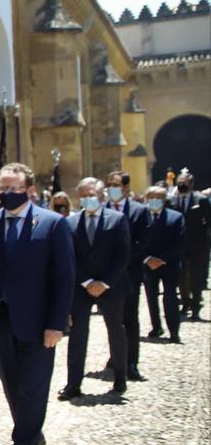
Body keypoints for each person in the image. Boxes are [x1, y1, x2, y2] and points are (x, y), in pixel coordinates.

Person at [0, 162, 74, 445]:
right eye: (2, 188)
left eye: (13, 188)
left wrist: (57, 323)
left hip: (38, 324)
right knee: (12, 385)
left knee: (33, 388)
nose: (7, 193)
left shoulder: (52, 224)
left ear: (29, 190)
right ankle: (32, 433)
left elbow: (64, 278)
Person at [61, 178, 131, 400]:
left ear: (102, 196)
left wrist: (104, 283)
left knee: (116, 330)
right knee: (78, 335)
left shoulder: (117, 220)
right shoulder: (71, 223)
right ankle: (73, 384)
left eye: (90, 194)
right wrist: (87, 282)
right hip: (82, 288)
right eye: (82, 195)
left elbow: (122, 255)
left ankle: (120, 377)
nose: (87, 199)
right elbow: (70, 257)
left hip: (111, 285)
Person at [105, 170, 149, 380]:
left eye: (116, 184)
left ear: (125, 188)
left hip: (129, 274)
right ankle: (116, 357)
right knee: (112, 320)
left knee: (129, 320)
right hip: (103, 278)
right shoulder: (100, 209)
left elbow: (143, 242)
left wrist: (120, 261)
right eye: (109, 184)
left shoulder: (140, 211)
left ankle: (131, 362)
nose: (112, 188)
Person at [141, 186, 186, 343]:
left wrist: (161, 259)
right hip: (147, 264)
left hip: (169, 264)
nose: (154, 200)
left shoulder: (176, 217)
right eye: (151, 196)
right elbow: (136, 240)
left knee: (170, 297)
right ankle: (156, 326)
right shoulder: (141, 216)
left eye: (158, 197)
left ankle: (174, 330)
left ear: (164, 199)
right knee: (151, 297)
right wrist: (147, 259)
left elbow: (179, 241)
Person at [171, 170, 209, 320]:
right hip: (179, 245)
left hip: (197, 245)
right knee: (180, 276)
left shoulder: (201, 200)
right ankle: (185, 302)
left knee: (196, 276)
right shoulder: (172, 201)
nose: (181, 184)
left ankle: (195, 306)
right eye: (179, 181)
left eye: (184, 182)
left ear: (191, 184)